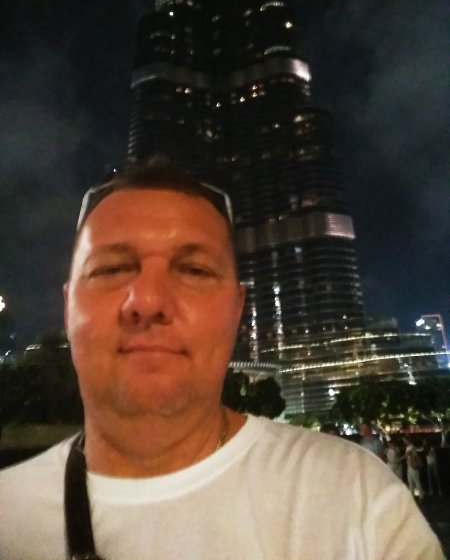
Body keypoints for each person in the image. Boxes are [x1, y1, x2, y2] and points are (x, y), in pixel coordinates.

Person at [0, 164, 444, 559]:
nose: (148, 301)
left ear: (236, 311)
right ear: (68, 308)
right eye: (111, 269)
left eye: (194, 271)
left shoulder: (355, 498)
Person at [402, 436, 425, 501]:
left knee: (416, 481)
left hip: (413, 466)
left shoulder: (412, 447)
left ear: (407, 440)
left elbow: (408, 454)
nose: (404, 442)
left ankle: (421, 496)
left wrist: (402, 458)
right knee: (411, 481)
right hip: (409, 466)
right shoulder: (408, 447)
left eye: (404, 440)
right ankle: (412, 496)